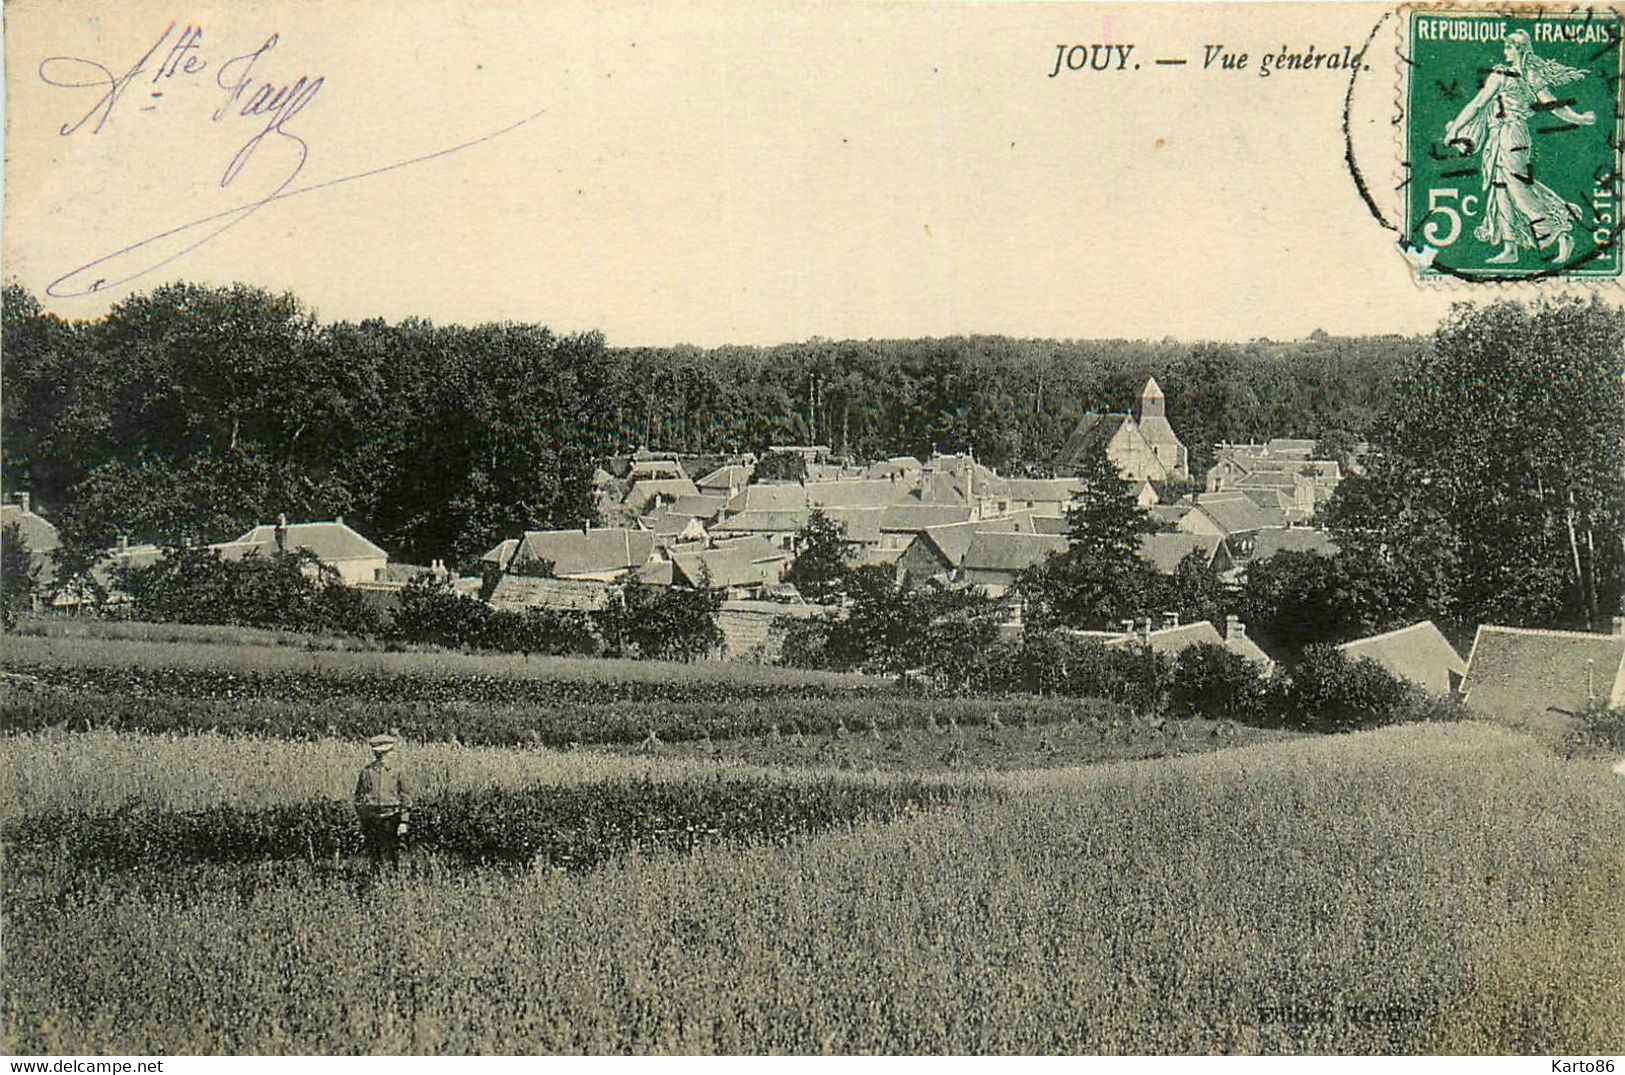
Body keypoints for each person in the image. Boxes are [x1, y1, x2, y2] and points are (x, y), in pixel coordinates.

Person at [1443, 29, 1596, 265]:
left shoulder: (1502, 75)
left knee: (1518, 190)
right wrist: (1579, 118)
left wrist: (1454, 130)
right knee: (1501, 190)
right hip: (1509, 136)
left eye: (1509, 46)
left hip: (1509, 136)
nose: (1505, 50)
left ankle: (1560, 232)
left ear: (1519, 49)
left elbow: (1477, 105)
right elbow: (1554, 105)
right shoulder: (1530, 75)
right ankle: (1510, 248)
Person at [354, 733, 413, 870]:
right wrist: (362, 817)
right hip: (371, 818)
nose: (383, 757)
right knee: (374, 855)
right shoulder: (367, 772)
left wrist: (404, 821)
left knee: (392, 854)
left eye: (385, 753)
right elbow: (359, 796)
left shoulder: (398, 771)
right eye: (379, 754)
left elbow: (406, 797)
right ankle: (376, 882)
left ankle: (393, 881)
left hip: (391, 816)